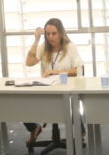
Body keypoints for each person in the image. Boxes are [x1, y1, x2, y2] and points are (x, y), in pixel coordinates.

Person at [22, 17, 83, 146]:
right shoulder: (43, 47)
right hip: (47, 89)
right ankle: (34, 128)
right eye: (48, 34)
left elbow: (79, 70)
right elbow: (29, 62)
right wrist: (36, 40)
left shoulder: (70, 47)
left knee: (71, 104)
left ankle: (80, 131)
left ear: (61, 33)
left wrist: (56, 72)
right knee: (23, 103)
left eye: (54, 33)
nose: (50, 37)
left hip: (66, 90)